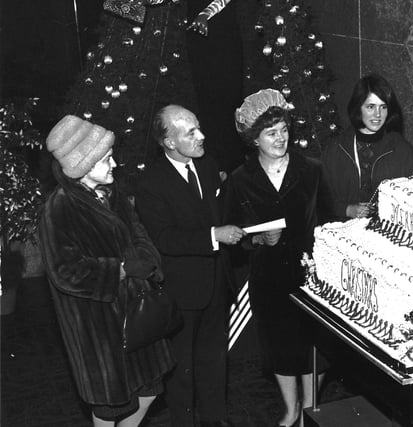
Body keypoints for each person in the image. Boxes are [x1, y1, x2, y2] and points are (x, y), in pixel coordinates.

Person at [38, 115, 175, 427]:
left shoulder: (113, 196)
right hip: (97, 327)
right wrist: (122, 270)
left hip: (136, 315)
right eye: (105, 159)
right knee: (109, 407)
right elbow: (65, 270)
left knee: (147, 392)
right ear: (82, 167)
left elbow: (141, 235)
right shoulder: (59, 209)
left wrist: (147, 260)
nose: (114, 164)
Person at [224, 89, 333, 427]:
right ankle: (291, 410)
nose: (280, 138)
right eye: (271, 133)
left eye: (284, 129)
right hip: (269, 278)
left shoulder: (311, 170)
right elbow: (232, 237)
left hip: (311, 277)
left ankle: (311, 410)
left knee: (313, 347)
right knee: (280, 347)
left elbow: (330, 223)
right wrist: (256, 239)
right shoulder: (240, 181)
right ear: (254, 139)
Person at [135, 105, 244, 427]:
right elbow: (165, 238)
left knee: (214, 361)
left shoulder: (208, 166)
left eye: (199, 127)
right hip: (182, 291)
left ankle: (216, 420)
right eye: (190, 132)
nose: (202, 136)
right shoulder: (151, 183)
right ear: (168, 142)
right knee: (181, 369)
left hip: (216, 283)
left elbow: (222, 214)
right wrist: (214, 236)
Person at [321, 73, 413, 220]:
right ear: (358, 108)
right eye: (370, 107)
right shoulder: (337, 148)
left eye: (383, 107)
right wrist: (347, 209)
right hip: (345, 230)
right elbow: (320, 197)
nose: (377, 114)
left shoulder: (400, 148)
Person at [185, 0, 244, 175]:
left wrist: (206, 14)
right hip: (198, 39)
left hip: (224, 38)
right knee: (205, 100)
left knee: (228, 101)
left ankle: (229, 164)